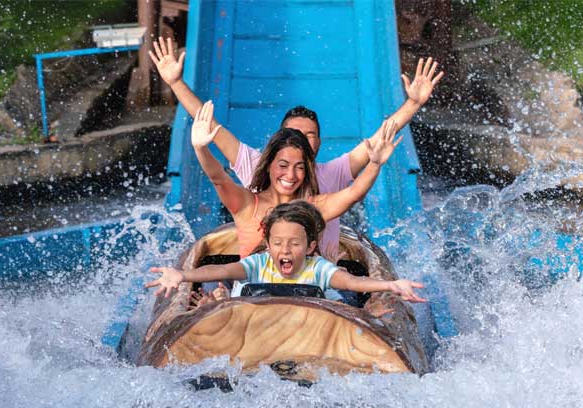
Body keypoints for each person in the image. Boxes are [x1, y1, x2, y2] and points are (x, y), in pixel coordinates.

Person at [150, 36, 444, 259]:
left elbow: (378, 143)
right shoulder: (254, 172)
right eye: (293, 134)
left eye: (310, 135)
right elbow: (209, 126)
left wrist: (413, 103)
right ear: (279, 143)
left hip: (318, 278)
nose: (301, 139)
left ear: (318, 143)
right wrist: (175, 83)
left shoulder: (331, 178)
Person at [189, 100, 400, 259]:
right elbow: (218, 178)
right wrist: (201, 148)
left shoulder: (313, 208)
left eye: (299, 167)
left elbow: (354, 194)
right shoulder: (247, 204)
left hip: (304, 300)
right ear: (268, 163)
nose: (290, 175)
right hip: (253, 299)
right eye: (283, 166)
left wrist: (375, 164)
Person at [146, 200, 427, 304]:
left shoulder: (317, 268)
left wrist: (391, 284)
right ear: (268, 245)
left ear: (310, 247)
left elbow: (354, 282)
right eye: (278, 243)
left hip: (308, 327)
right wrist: (182, 275)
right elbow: (218, 270)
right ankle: (217, 301)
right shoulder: (259, 264)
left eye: (295, 244)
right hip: (261, 328)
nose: (286, 250)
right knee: (222, 296)